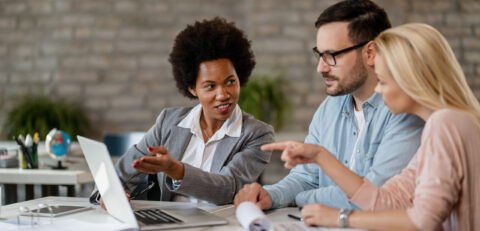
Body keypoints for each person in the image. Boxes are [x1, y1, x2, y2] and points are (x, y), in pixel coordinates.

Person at [264, 23, 480, 231]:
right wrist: (320, 155)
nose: (377, 90)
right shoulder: (453, 122)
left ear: (410, 79)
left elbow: (424, 220)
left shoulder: (444, 124)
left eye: (383, 81)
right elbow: (387, 199)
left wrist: (341, 217)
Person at [233, 0, 424, 210]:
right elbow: (306, 178)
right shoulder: (329, 108)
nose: (321, 67)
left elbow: (374, 198)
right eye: (320, 54)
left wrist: (301, 198)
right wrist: (270, 194)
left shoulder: (405, 110)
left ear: (370, 53)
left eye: (332, 55)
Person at [92, 17, 274, 205]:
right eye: (210, 86)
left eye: (230, 82)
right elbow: (122, 173)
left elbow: (228, 189)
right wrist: (107, 193)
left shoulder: (258, 134)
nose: (223, 94)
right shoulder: (168, 122)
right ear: (192, 89)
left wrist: (177, 170)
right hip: (168, 221)